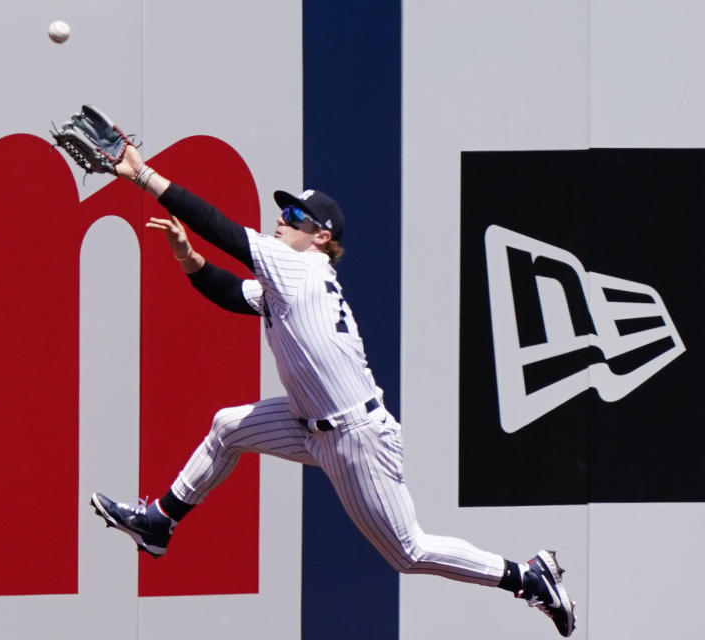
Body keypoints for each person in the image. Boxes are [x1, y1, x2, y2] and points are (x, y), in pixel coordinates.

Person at [88, 145, 576, 637]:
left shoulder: (298, 268)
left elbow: (224, 229)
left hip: (354, 437)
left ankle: (526, 577)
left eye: (295, 215)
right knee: (227, 427)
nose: (282, 218)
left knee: (408, 553)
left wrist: (144, 177)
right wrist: (189, 259)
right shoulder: (291, 281)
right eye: (283, 211)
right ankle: (160, 522)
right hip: (310, 422)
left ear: (321, 236)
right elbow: (233, 293)